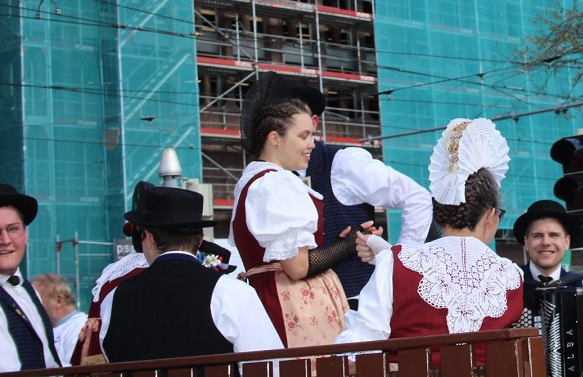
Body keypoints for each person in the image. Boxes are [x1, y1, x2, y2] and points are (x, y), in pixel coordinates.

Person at [336, 118, 523, 361]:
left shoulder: (396, 263)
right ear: (490, 215)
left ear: (438, 211)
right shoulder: (512, 276)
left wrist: (390, 258)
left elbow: (359, 346)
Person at [255, 74, 433, 304]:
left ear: (314, 123)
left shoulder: (343, 162)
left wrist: (398, 266)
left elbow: (416, 198)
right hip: (295, 306)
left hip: (354, 302)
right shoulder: (268, 179)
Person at [231, 80, 362, 347]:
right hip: (291, 304)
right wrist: (347, 246)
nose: (312, 144)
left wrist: (337, 244)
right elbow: (297, 267)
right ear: (275, 139)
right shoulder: (276, 183)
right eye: (303, 136)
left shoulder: (254, 179)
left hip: (269, 295)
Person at [99, 182, 281, 360]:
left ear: (149, 238)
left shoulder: (113, 299)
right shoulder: (231, 294)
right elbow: (269, 366)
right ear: (200, 239)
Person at [0, 184, 61, 371]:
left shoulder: (28, 290)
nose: (5, 240)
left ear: (25, 234)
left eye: (12, 229)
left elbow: (48, 362)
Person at [513, 200, 583, 309]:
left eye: (554, 235)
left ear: (566, 242)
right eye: (537, 235)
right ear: (526, 242)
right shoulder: (508, 286)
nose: (545, 242)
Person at [30, 273, 86, 366]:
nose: (31, 308)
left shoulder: (80, 327)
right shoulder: (45, 330)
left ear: (59, 301)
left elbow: (74, 368)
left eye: (35, 302)